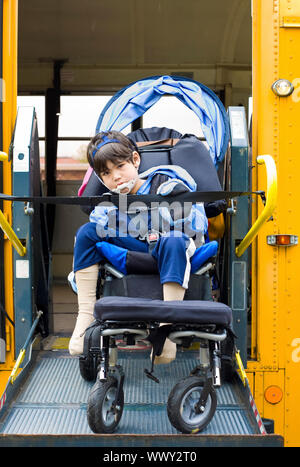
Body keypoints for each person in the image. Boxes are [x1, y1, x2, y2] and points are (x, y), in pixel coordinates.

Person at [69, 131, 208, 363]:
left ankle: (166, 332)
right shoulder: (108, 205)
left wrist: (176, 207)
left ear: (135, 160)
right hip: (134, 253)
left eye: (120, 166)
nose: (116, 177)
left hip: (172, 250)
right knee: (86, 232)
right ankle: (85, 319)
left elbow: (198, 228)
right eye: (106, 173)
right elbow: (90, 242)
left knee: (174, 238)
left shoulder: (168, 184)